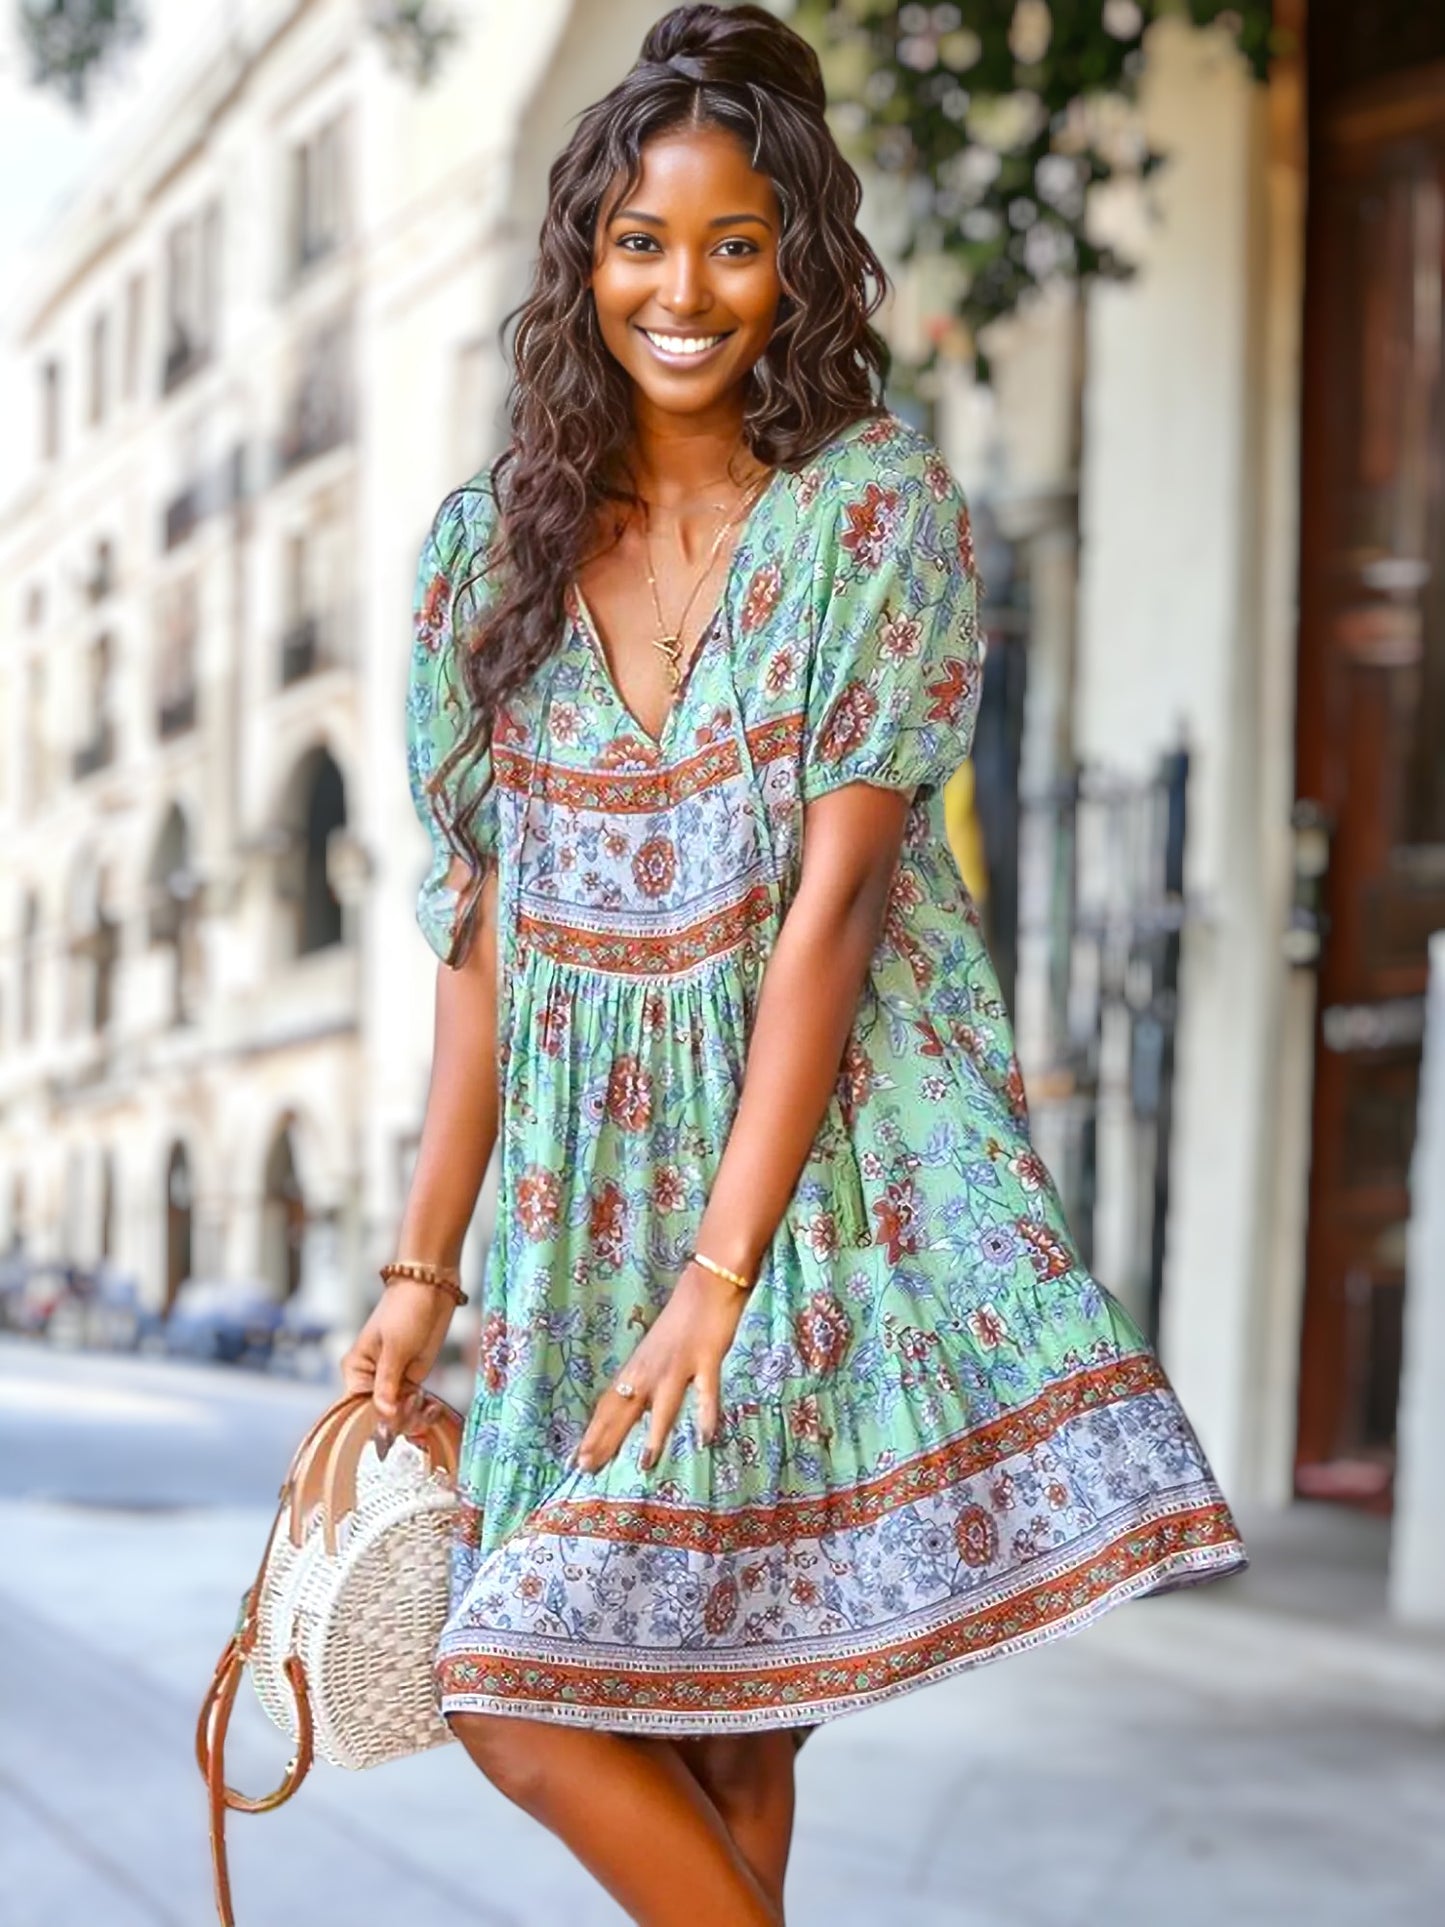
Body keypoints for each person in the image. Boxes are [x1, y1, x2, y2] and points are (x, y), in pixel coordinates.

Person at [342, 8, 1247, 1922]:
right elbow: (485, 948)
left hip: (805, 1208)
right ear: (582, 259)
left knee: (558, 1701)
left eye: (735, 242)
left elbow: (834, 914)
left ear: (799, 260)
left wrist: (716, 1283)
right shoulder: (476, 564)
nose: (685, 290)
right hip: (579, 1227)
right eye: (640, 242)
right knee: (652, 1716)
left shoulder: (873, 518)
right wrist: (422, 1275)